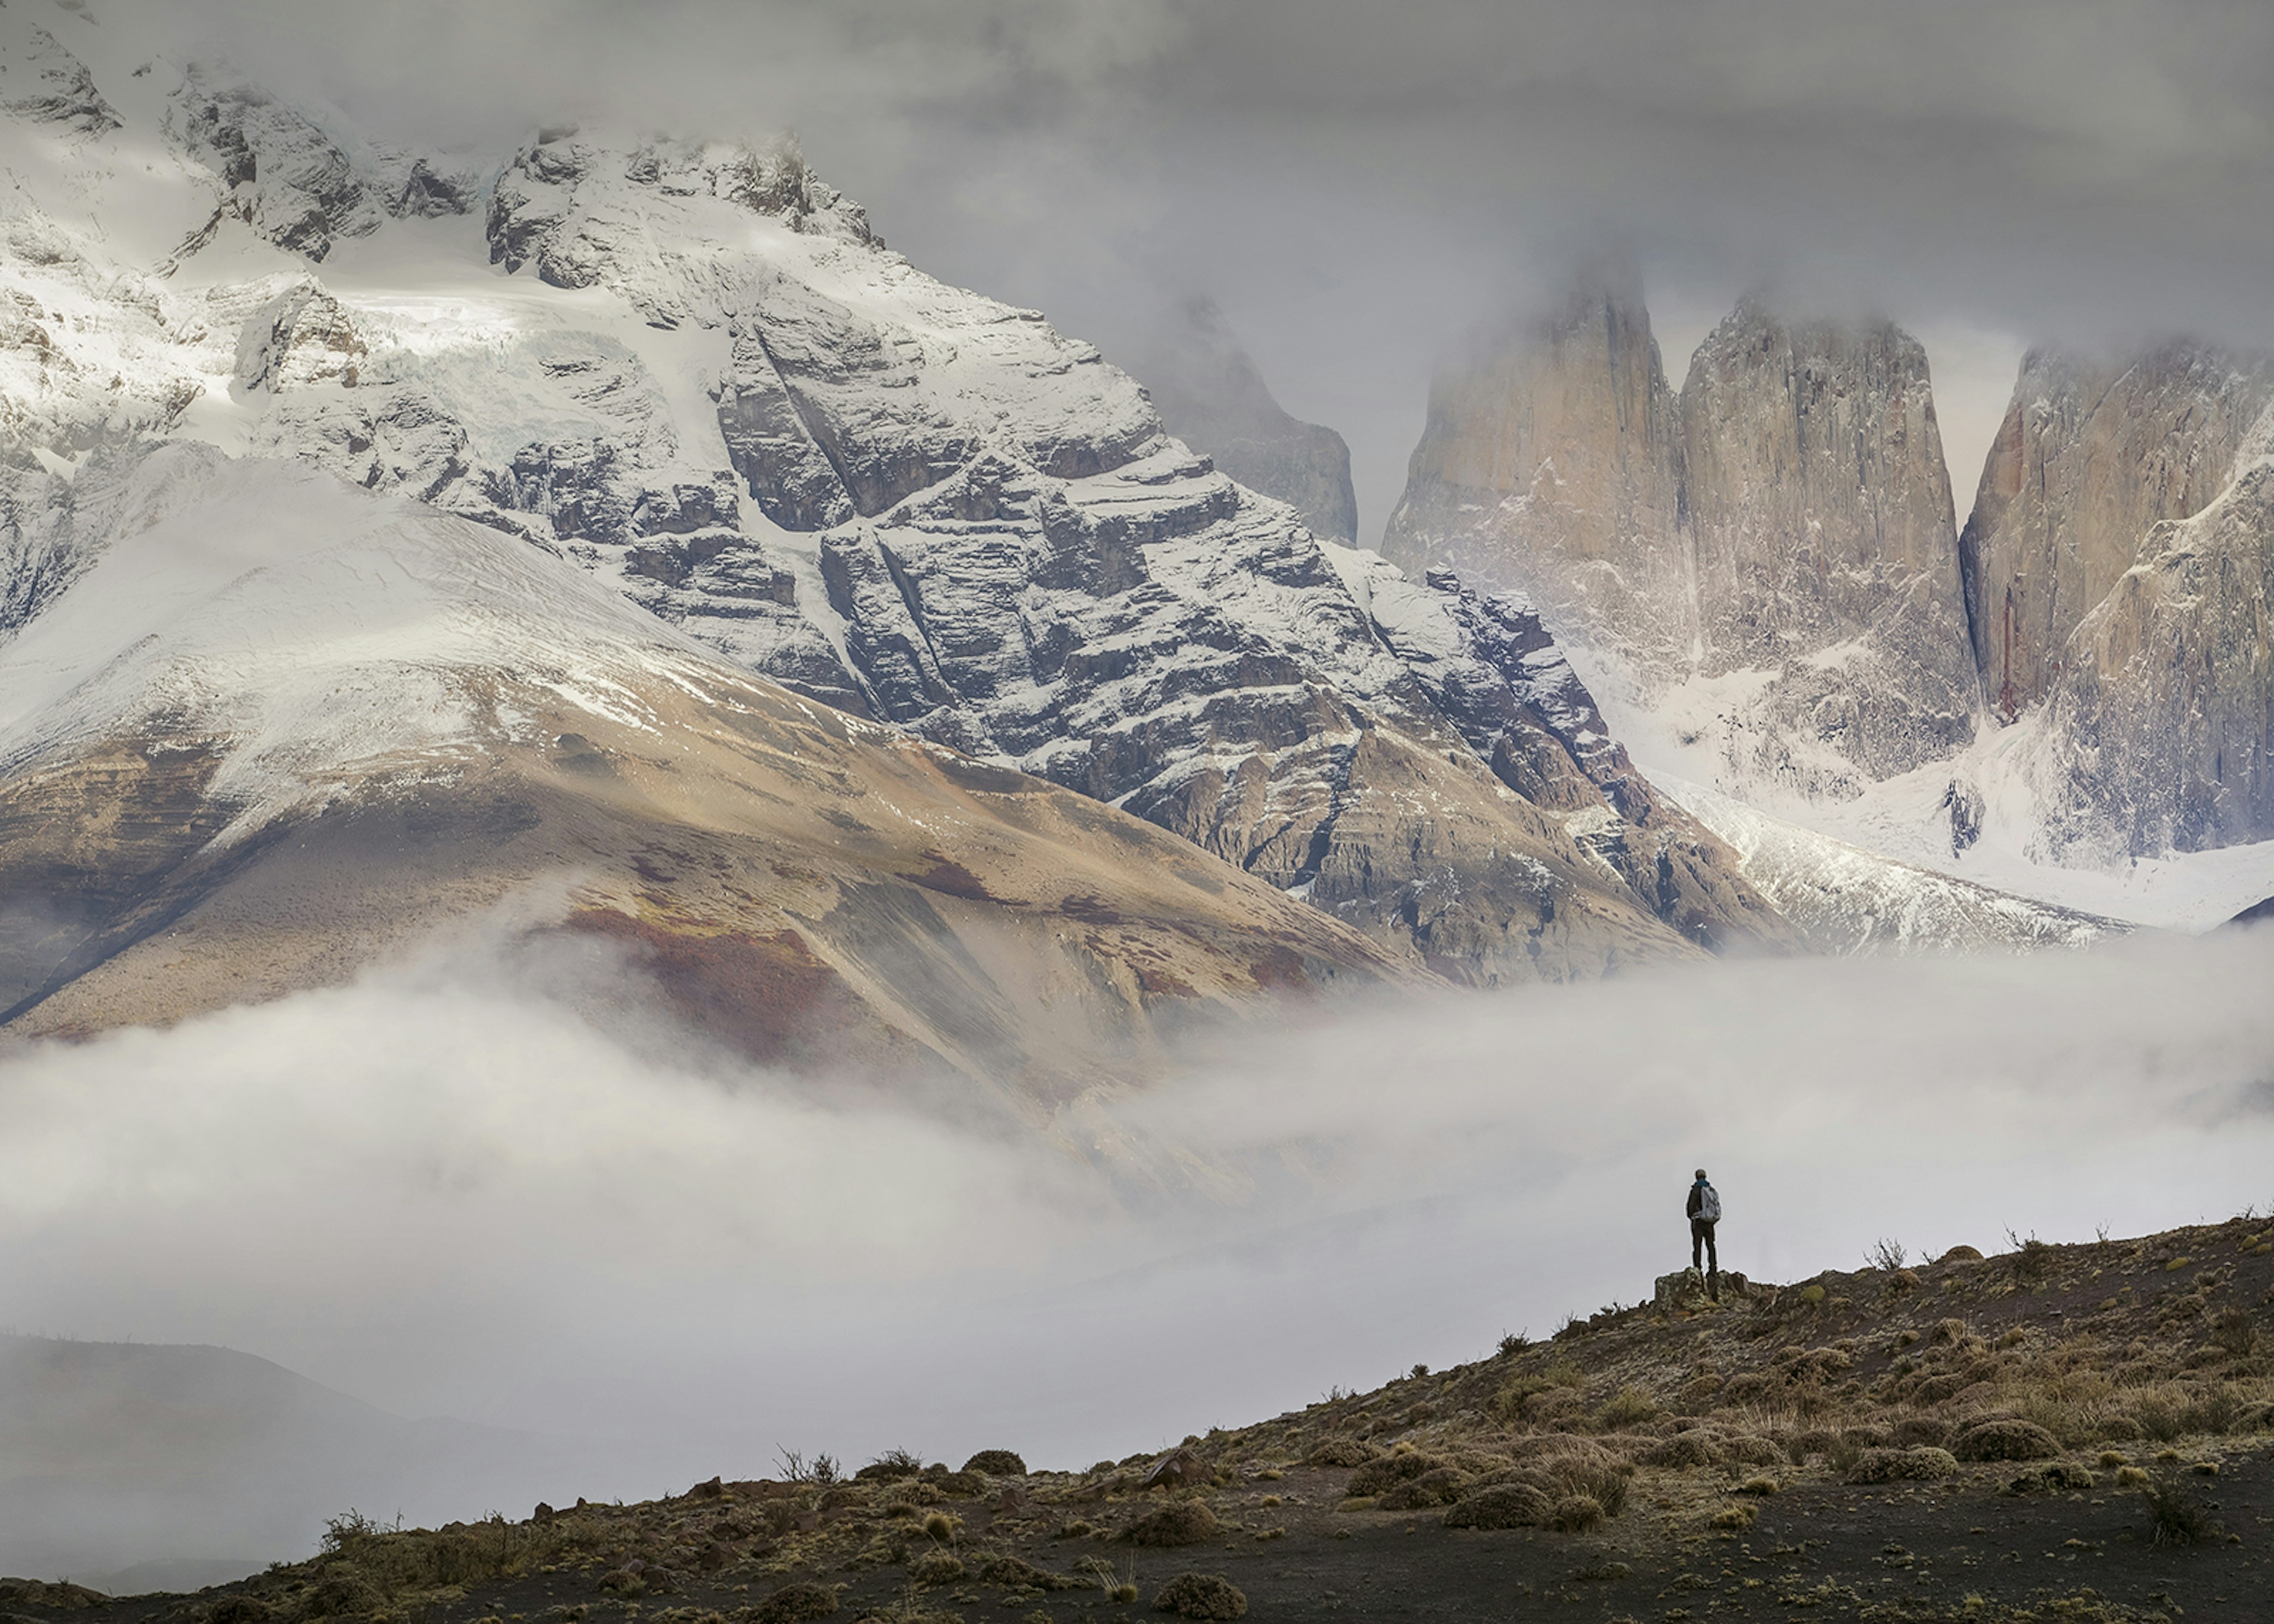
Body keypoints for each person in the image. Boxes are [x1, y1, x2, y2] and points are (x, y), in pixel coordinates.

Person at [1687, 1168, 1721, 1300]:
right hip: (1710, 1222)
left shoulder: (1695, 1190)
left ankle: (1698, 1269)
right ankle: (1713, 1269)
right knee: (1711, 1245)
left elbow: (1689, 1208)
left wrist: (1693, 1215)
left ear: (1696, 1177)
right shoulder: (1711, 1190)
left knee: (1697, 1246)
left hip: (1698, 1221)